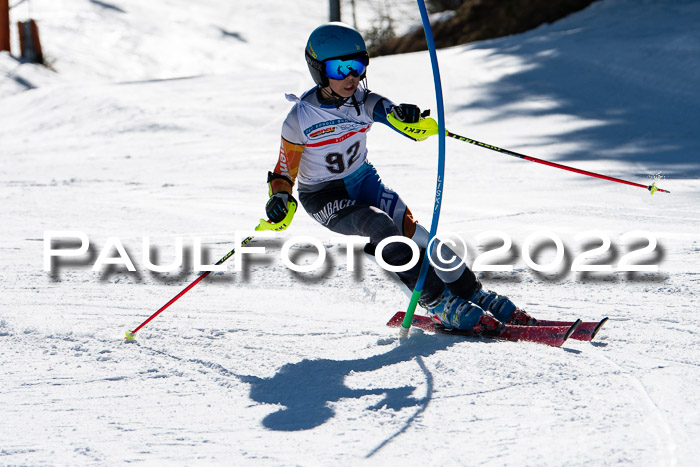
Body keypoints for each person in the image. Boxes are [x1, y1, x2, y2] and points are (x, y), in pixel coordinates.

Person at [264, 22, 532, 333]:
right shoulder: (299, 118)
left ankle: (473, 292)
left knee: (417, 233)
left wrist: (405, 116)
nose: (351, 77)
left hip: (362, 180)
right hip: (322, 195)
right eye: (340, 69)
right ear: (319, 71)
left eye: (359, 65)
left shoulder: (362, 101)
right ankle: (438, 302)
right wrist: (280, 197)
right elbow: (284, 172)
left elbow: (388, 111)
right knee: (379, 225)